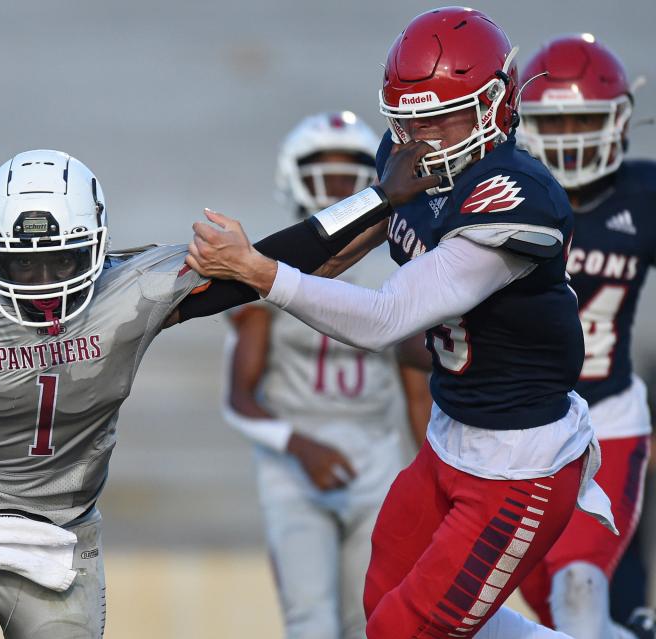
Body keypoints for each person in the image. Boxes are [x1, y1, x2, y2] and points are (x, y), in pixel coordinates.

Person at [0, 148, 437, 638]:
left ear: (97, 246)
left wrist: (380, 199)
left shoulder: (135, 290)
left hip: (62, 546)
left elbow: (264, 263)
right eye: (17, 260)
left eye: (56, 259)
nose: (37, 279)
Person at [186, 7, 619, 638]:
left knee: (404, 631)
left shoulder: (514, 197)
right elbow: (336, 251)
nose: (423, 135)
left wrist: (258, 272)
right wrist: (209, 287)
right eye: (408, 119)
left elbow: (388, 317)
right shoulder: (413, 155)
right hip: (452, 436)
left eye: (439, 115)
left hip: (519, 464)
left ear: (494, 102)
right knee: (384, 597)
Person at [223, 111, 431, 639]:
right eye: (324, 171)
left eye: (350, 173)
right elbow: (238, 399)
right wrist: (300, 445)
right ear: (293, 175)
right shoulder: (269, 264)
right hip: (293, 463)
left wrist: (430, 476)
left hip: (376, 454)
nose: (338, 185)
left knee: (374, 621)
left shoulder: (397, 264)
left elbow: (414, 383)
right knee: (310, 624)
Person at [515, 33, 656, 639]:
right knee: (563, 619)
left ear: (620, 120)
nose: (571, 136)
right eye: (557, 119)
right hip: (516, 435)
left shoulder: (642, 195)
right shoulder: (503, 194)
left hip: (609, 419)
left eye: (585, 118)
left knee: (579, 593)